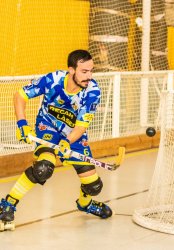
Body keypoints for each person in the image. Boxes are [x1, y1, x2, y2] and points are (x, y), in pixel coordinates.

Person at [0, 50, 112, 230]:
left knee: (94, 186)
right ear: (71, 70)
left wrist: (67, 142)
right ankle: (7, 204)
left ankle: (85, 203)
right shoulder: (53, 80)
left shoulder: (92, 92)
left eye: (91, 71)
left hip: (74, 135)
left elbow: (81, 127)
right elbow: (20, 95)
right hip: (47, 127)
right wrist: (22, 124)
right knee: (44, 168)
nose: (89, 76)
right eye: (84, 71)